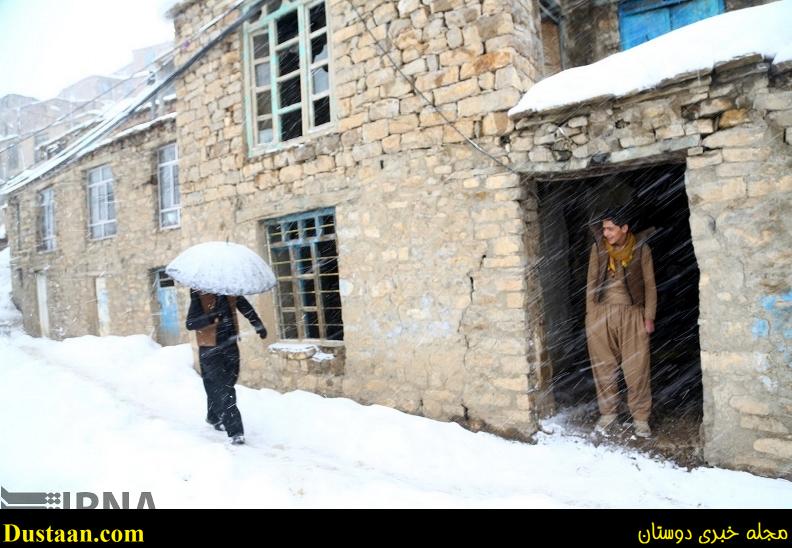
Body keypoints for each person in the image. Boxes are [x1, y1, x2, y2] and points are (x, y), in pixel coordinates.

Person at [585, 207, 657, 438]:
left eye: (610, 229)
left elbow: (650, 284)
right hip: (601, 313)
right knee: (604, 367)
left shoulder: (640, 249)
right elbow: (590, 284)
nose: (605, 233)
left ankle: (640, 417)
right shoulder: (598, 249)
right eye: (604, 229)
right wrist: (590, 317)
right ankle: (608, 414)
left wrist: (649, 317)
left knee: (636, 369)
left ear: (624, 228)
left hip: (632, 314)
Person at [186, 289, 267, 445]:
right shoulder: (199, 293)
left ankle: (213, 416)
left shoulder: (230, 289)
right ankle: (235, 431)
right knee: (225, 388)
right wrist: (212, 317)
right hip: (209, 347)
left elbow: (244, 306)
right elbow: (190, 323)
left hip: (230, 344)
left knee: (224, 382)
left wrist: (258, 324)